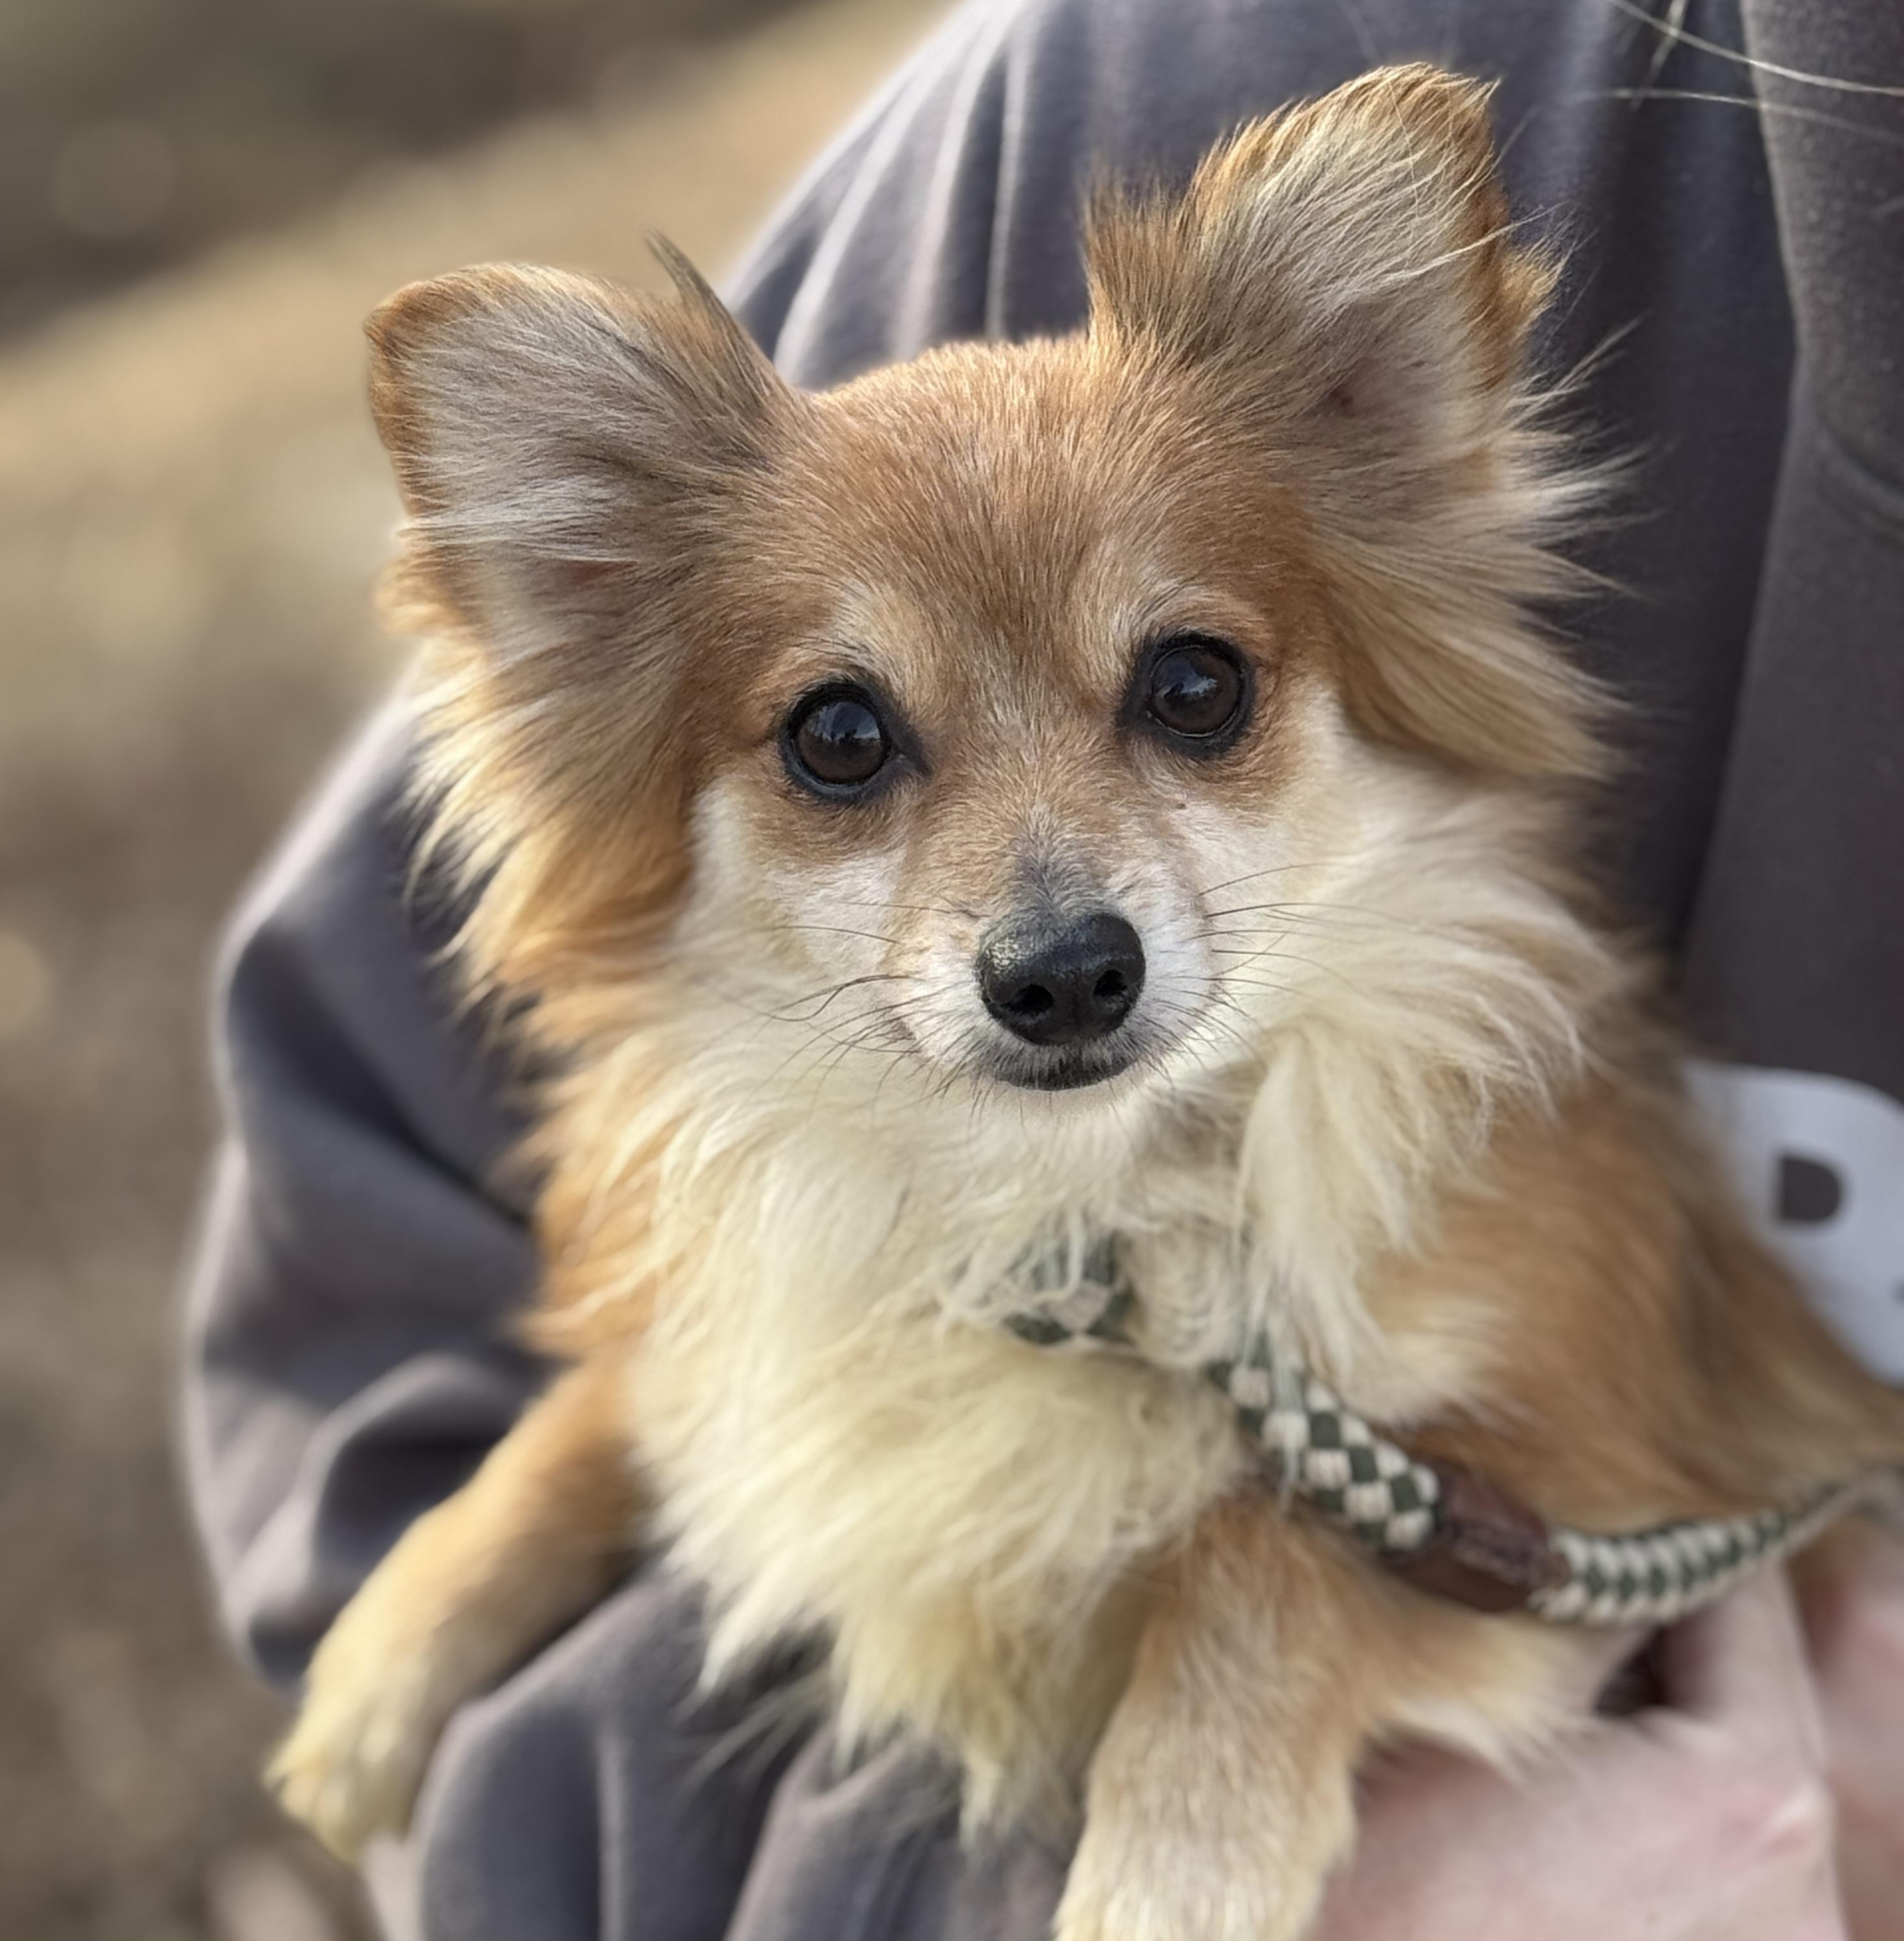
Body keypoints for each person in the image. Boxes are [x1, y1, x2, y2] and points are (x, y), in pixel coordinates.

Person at [182, 1, 1904, 1935]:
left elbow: (1558, 1467)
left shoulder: (1494, 1193)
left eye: (1191, 690)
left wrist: (1251, 1683)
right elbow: (547, 1336)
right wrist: (548, 1500)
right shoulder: (1111, 77)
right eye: (847, 743)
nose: (1057, 922)